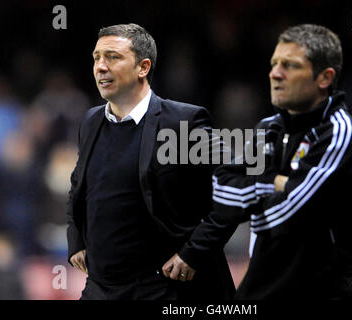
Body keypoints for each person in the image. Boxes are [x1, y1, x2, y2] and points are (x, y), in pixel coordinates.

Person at [66, 23, 236, 300]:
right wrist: (76, 241)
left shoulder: (182, 122)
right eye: (97, 57)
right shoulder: (90, 122)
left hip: (163, 288)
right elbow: (79, 187)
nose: (100, 66)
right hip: (100, 287)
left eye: (113, 57)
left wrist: (195, 252)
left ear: (143, 67)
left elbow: (235, 187)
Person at [211, 24, 352, 299]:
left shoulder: (343, 136)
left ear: (324, 78)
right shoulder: (267, 129)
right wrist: (276, 182)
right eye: (274, 63)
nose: (275, 73)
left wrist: (253, 189)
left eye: (290, 65)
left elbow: (287, 213)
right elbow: (220, 191)